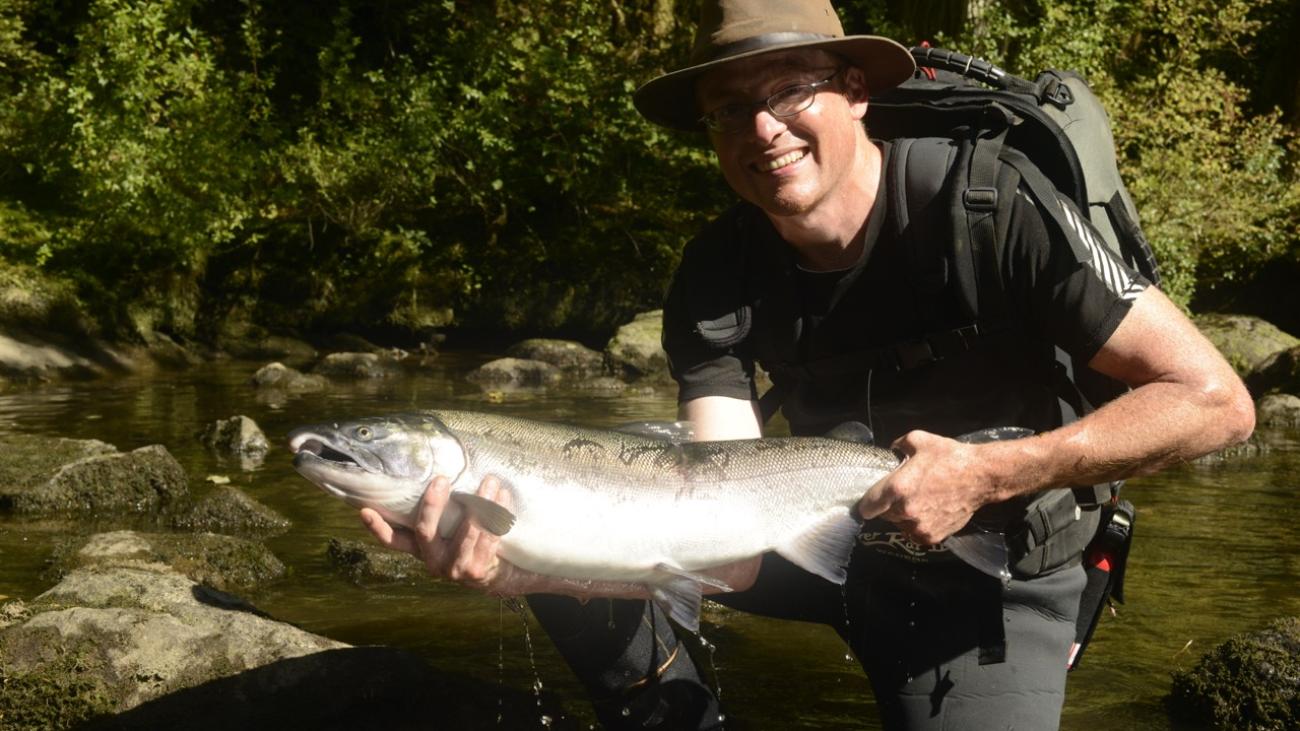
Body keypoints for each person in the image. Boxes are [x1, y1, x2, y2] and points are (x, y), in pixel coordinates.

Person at [360, 1, 1256, 728]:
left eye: (790, 89)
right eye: (728, 110)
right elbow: (726, 547)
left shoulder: (992, 205)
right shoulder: (716, 274)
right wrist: (524, 567)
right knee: (552, 527)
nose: (762, 127)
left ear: (855, 91)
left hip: (998, 561)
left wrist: (987, 473)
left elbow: (1217, 403)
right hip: (819, 537)